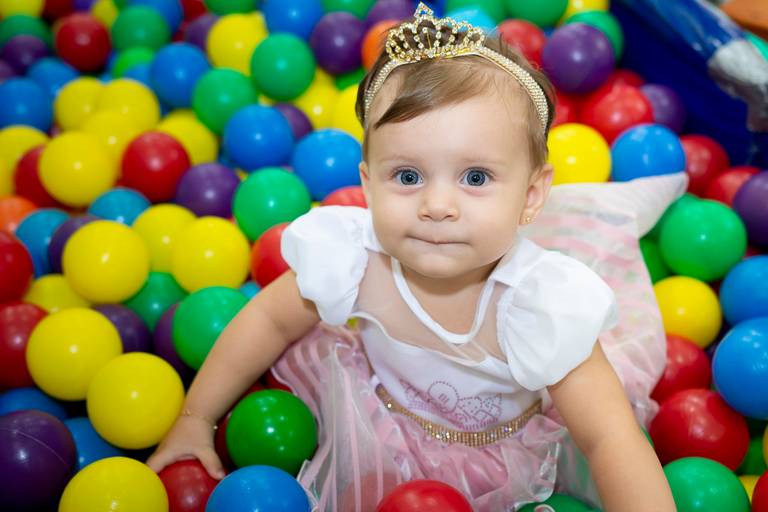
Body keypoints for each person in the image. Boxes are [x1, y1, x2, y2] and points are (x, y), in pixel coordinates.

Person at [148, 4, 681, 510]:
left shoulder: (539, 308)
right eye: (407, 176)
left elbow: (610, 437)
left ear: (531, 195)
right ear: (368, 185)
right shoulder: (355, 261)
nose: (437, 205)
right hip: (374, 416)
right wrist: (196, 417)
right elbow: (268, 318)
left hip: (502, 454)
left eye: (476, 177)